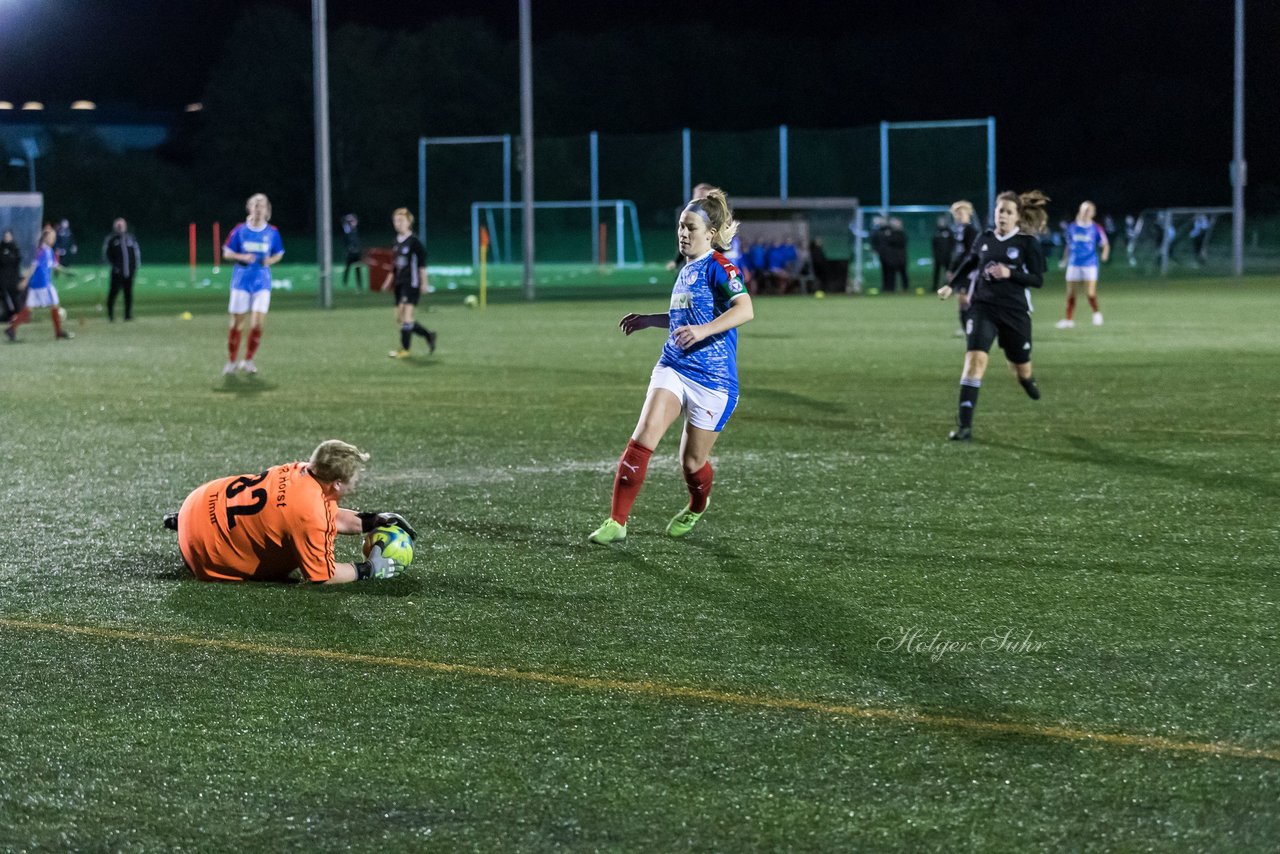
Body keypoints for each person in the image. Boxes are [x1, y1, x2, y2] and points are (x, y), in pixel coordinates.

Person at [588, 187, 753, 544]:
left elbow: (746, 309)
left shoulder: (720, 267)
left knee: (691, 464)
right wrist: (650, 320)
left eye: (691, 228)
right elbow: (684, 317)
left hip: (714, 381)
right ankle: (617, 522)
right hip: (674, 366)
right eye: (680, 226)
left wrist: (704, 330)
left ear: (710, 234)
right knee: (643, 435)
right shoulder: (686, 269)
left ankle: (697, 505)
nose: (683, 233)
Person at [163, 439, 416, 584]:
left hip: (195, 503)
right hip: (202, 552)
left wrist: (373, 520)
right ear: (337, 483)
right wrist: (369, 569)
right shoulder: (309, 513)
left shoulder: (303, 471)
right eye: (355, 477)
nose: (358, 481)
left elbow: (328, 514)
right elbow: (322, 576)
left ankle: (188, 522)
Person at [937, 190, 1049, 441]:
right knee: (974, 361)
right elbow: (970, 262)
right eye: (1000, 211)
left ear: (1017, 216)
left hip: (1015, 312)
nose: (1003, 216)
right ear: (994, 213)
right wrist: (951, 285)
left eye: (1009, 212)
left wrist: (1011, 274)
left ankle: (1027, 380)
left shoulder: (1027, 243)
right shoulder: (984, 238)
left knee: (1020, 366)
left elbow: (1038, 280)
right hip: (983, 307)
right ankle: (965, 426)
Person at [221, 193, 284, 375]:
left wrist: (270, 261)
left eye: (262, 205)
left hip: (262, 283)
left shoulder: (272, 232)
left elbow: (279, 253)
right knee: (236, 325)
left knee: (257, 325)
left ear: (267, 210)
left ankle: (248, 360)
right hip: (241, 282)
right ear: (249, 208)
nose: (258, 208)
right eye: (255, 205)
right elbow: (227, 253)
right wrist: (242, 256)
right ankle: (231, 361)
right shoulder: (240, 230)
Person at [382, 207, 436, 358]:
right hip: (399, 284)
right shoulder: (395, 242)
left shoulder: (414, 242)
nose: (397, 223)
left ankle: (405, 350)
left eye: (401, 220)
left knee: (406, 316)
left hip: (411, 283)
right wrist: (388, 281)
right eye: (395, 221)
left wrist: (424, 283)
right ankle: (428, 335)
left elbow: (422, 265)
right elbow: (394, 265)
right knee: (400, 318)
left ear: (409, 222)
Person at [1055, 200, 1110, 329]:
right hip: (1074, 263)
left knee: (1090, 293)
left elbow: (1105, 244)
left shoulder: (1096, 228)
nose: (1085, 212)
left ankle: (1096, 313)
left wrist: (1104, 254)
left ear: (1093, 213)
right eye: (1083, 209)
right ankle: (1069, 320)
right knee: (1071, 294)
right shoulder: (1072, 227)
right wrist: (1064, 260)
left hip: (1090, 264)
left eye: (1088, 210)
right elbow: (1069, 246)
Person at [23, 226, 73, 340]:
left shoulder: (48, 250)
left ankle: (11, 329)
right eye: (51, 237)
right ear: (45, 237)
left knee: (29, 310)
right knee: (55, 305)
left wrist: (66, 272)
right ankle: (58, 332)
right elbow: (33, 266)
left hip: (36, 285)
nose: (53, 239)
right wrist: (25, 279)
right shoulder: (40, 251)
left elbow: (55, 265)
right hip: (43, 285)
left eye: (54, 237)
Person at [944, 200, 981, 336]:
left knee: (965, 299)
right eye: (956, 213)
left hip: (969, 271)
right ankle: (967, 328)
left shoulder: (971, 231)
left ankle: (971, 328)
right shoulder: (959, 231)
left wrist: (960, 271)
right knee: (962, 300)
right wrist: (951, 269)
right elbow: (957, 253)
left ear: (969, 213)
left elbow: (970, 255)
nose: (958, 216)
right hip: (961, 270)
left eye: (960, 212)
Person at [102, 218, 141, 322]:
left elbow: (136, 253)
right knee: (113, 293)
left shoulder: (130, 238)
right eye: (118, 226)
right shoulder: (111, 239)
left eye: (122, 225)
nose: (120, 227)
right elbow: (106, 255)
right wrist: (114, 267)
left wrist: (135, 267)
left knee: (128, 294)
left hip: (129, 272)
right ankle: (110, 316)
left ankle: (127, 315)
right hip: (117, 273)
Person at [1, 229, 28, 341]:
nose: (7, 237)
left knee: (17, 302)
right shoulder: (1, 248)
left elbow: (17, 262)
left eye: (8, 236)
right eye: (5, 236)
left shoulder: (15, 249)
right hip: (3, 280)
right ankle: (12, 327)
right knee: (8, 302)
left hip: (13, 280)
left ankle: (13, 326)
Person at [870, 216, 908, 293]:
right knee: (887, 273)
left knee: (902, 273)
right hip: (887, 257)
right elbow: (876, 241)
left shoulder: (898, 233)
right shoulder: (882, 232)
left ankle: (905, 288)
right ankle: (888, 288)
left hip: (899, 257)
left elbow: (899, 242)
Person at [930, 215, 954, 291]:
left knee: (948, 272)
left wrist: (951, 253)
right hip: (937, 256)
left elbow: (952, 243)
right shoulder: (936, 231)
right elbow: (933, 245)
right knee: (936, 272)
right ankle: (934, 287)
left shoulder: (949, 231)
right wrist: (933, 256)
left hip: (947, 256)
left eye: (942, 221)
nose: (941, 223)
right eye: (940, 221)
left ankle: (948, 287)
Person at [341, 213, 364, 289]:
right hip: (350, 253)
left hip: (357, 253)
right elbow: (346, 236)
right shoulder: (348, 230)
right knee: (347, 268)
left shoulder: (355, 230)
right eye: (351, 221)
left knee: (358, 269)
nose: (353, 222)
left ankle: (359, 284)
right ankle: (345, 282)